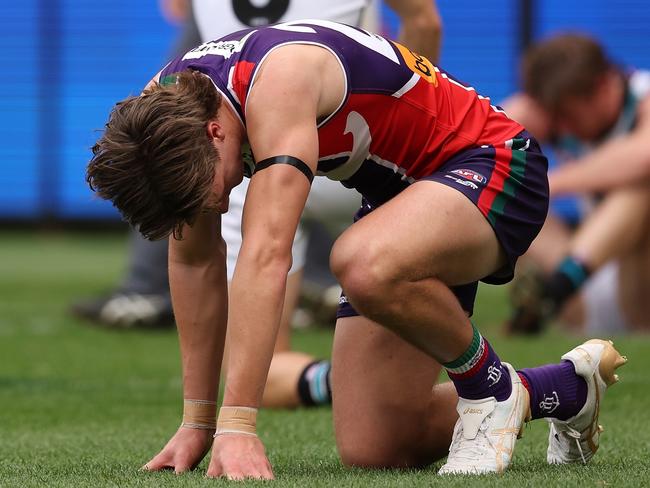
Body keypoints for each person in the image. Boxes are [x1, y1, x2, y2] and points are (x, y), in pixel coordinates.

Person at [86, 20, 626, 478]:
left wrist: (238, 425)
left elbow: (267, 254)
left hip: (497, 164)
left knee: (359, 261)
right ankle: (562, 388)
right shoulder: (165, 109)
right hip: (406, 197)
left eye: (215, 188)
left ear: (215, 133)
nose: (218, 204)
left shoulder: (278, 82)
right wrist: (198, 422)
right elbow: (194, 258)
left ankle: (490, 390)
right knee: (377, 444)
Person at [73, 0, 445, 410]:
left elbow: (178, 12)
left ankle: (468, 379)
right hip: (285, 143)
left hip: (282, 144)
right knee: (256, 376)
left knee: (263, 352)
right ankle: (351, 383)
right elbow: (423, 20)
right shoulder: (180, 105)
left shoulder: (190, 91)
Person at [503, 33, 650, 335]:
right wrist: (519, 115)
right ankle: (551, 294)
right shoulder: (551, 114)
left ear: (602, 86)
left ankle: (554, 290)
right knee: (502, 193)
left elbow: (643, 155)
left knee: (639, 186)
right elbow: (478, 151)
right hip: (583, 299)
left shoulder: (644, 95)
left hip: (637, 285)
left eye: (568, 114)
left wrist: (550, 182)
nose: (564, 127)